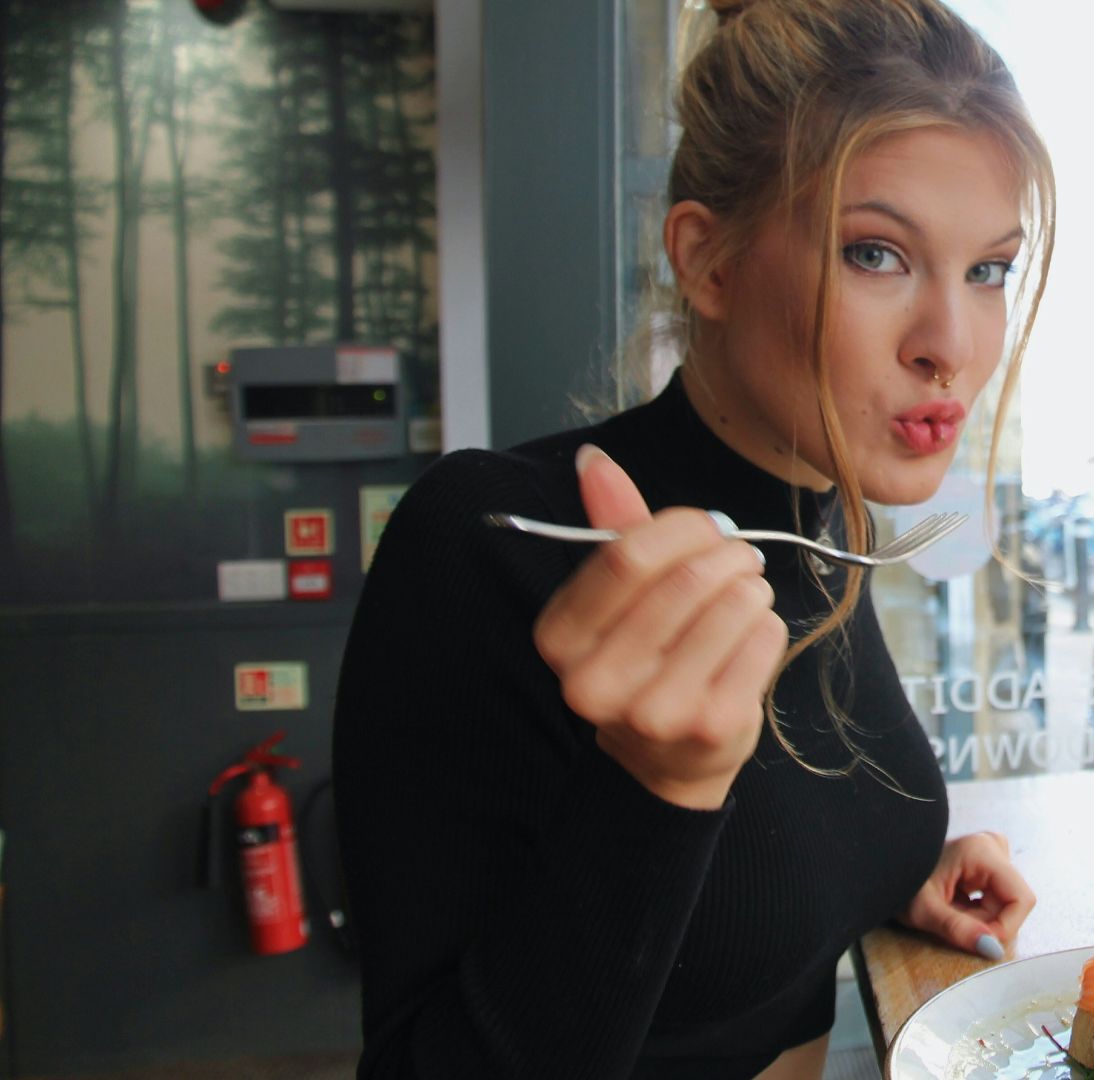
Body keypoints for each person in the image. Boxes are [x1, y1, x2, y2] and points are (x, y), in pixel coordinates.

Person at [331, 0, 1056, 1077]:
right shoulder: (488, 542)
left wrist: (889, 868)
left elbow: (740, 883)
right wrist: (654, 786)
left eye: (989, 270)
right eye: (876, 254)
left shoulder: (825, 521)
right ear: (709, 263)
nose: (952, 346)